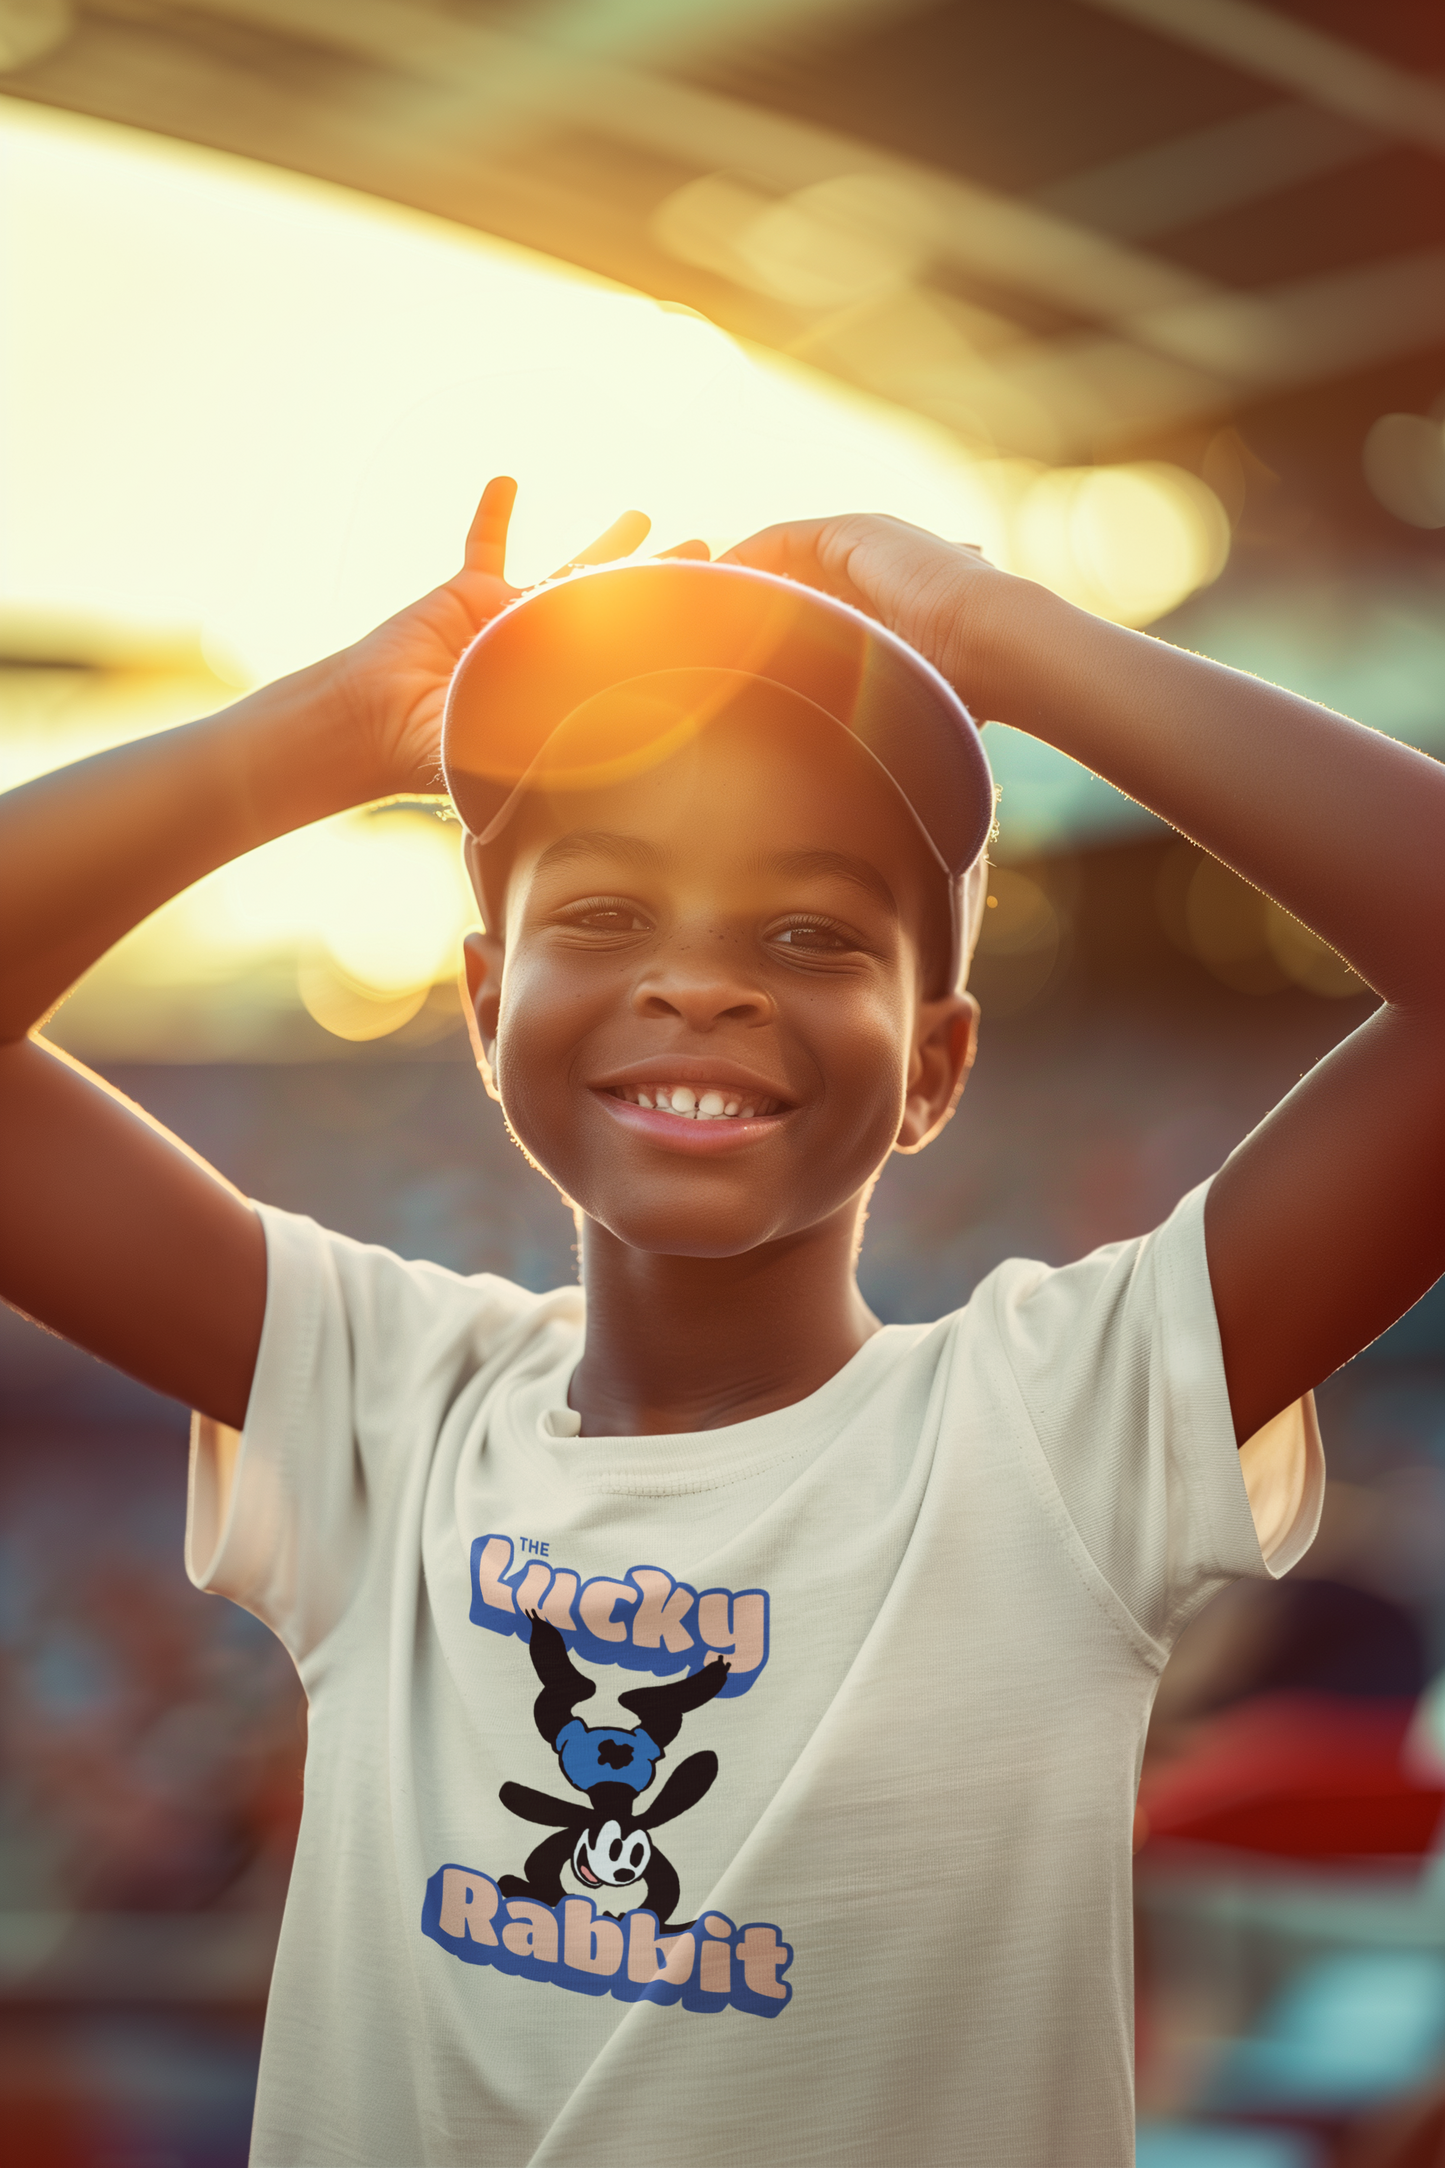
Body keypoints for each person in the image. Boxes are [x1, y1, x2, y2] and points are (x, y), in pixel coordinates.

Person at [2, 472, 1442, 2168]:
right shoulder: (383, 1398)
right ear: (483, 1003)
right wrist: (305, 741)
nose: (701, 979)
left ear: (935, 1064)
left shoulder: (1056, 1423)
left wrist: (1008, 636)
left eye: (813, 930)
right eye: (606, 912)